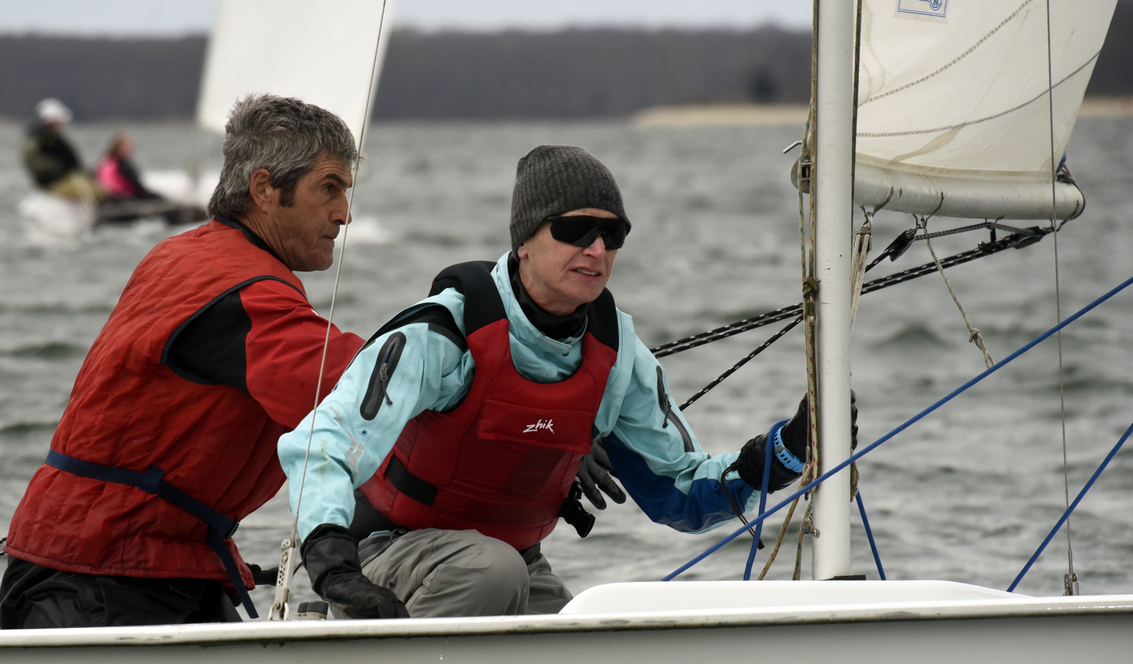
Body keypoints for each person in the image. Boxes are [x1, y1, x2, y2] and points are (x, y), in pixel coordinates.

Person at [280, 144, 852, 619]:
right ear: (524, 239)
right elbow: (323, 442)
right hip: (382, 553)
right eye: (576, 229)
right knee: (492, 571)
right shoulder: (444, 332)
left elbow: (678, 490)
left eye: (613, 234)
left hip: (511, 562)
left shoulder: (618, 354)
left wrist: (784, 454)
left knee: (585, 637)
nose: (597, 249)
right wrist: (333, 566)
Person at [0, 94, 366, 628]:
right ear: (263, 189)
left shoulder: (185, 253)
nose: (344, 213)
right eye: (329, 188)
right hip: (101, 574)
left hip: (149, 559)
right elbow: (357, 387)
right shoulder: (239, 290)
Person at [22, 98, 105, 202]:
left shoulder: (42, 137)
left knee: (94, 187)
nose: (61, 124)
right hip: (57, 183)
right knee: (99, 192)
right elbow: (59, 162)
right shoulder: (44, 139)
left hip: (60, 181)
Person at [95, 132, 162, 201]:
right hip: (122, 198)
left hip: (125, 196)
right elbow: (108, 185)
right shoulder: (113, 164)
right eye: (125, 147)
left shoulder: (112, 162)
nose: (128, 150)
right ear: (117, 147)